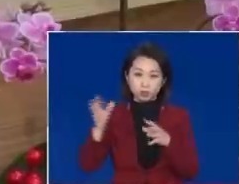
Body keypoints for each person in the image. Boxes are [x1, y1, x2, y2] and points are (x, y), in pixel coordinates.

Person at [80, 42, 199, 184]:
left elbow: (190, 172)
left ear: (163, 81)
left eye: (153, 76)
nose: (145, 83)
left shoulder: (179, 117)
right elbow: (88, 165)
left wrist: (168, 142)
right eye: (138, 74)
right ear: (127, 77)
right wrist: (99, 132)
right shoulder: (115, 116)